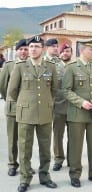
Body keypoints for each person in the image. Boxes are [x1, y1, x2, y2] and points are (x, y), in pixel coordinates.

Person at [7, 35, 58, 192]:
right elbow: (12, 91)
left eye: (36, 46)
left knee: (44, 148)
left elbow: (54, 89)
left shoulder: (50, 66)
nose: (33, 49)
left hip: (45, 113)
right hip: (25, 114)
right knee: (24, 149)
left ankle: (44, 176)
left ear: (42, 49)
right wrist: (25, 103)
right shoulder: (21, 66)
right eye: (31, 47)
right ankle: (25, 178)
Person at [62, 38, 92, 187]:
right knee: (76, 146)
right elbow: (66, 91)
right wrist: (81, 102)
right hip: (77, 114)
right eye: (91, 49)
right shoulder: (72, 67)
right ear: (82, 50)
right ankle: (75, 175)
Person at [0, 39, 35, 177]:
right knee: (13, 139)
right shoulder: (9, 66)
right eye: (21, 49)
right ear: (16, 51)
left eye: (26, 49)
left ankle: (26, 165)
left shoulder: (33, 65)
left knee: (26, 139)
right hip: (13, 108)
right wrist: (10, 100)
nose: (23, 52)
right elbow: (3, 86)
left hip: (28, 109)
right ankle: (12, 164)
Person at [52, 42, 73, 171]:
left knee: (74, 136)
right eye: (63, 51)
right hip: (58, 106)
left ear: (71, 53)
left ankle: (72, 159)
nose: (65, 53)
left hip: (73, 107)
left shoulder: (76, 66)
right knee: (58, 135)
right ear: (60, 53)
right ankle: (58, 159)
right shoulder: (53, 67)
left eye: (68, 51)